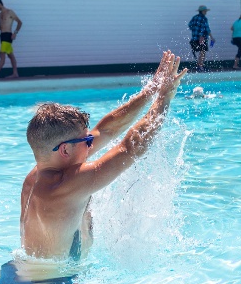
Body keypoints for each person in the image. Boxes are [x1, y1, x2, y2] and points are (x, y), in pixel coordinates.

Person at [20, 50, 185, 261]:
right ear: (65, 150)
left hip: (27, 271)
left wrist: (150, 90)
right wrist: (163, 98)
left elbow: (105, 130)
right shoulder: (65, 184)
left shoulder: (37, 175)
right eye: (86, 141)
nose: (91, 143)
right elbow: (130, 148)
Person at [0, 0, 22, 78]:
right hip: (2, 35)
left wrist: (15, 33)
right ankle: (15, 73)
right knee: (10, 55)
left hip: (8, 35)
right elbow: (1, 27)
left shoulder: (10, 12)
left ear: (0, 4)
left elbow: (20, 22)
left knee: (2, 54)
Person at [188, 6, 214, 72]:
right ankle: (201, 66)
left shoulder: (194, 17)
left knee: (197, 51)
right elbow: (207, 29)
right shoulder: (203, 18)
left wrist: (195, 30)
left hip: (194, 38)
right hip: (202, 38)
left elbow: (190, 25)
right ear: (202, 11)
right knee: (202, 51)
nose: (206, 12)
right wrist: (211, 37)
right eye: (205, 11)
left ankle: (198, 65)